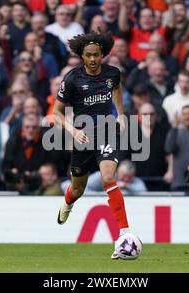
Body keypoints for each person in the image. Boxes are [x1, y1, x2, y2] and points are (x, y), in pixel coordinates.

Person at [53, 31, 131, 259]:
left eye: (97, 55)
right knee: (77, 189)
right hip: (83, 138)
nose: (94, 59)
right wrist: (73, 131)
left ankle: (124, 233)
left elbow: (117, 88)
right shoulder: (72, 79)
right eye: (89, 55)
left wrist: (121, 114)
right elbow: (56, 113)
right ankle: (68, 203)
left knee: (108, 177)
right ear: (82, 56)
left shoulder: (112, 73)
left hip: (107, 132)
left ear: (103, 54)